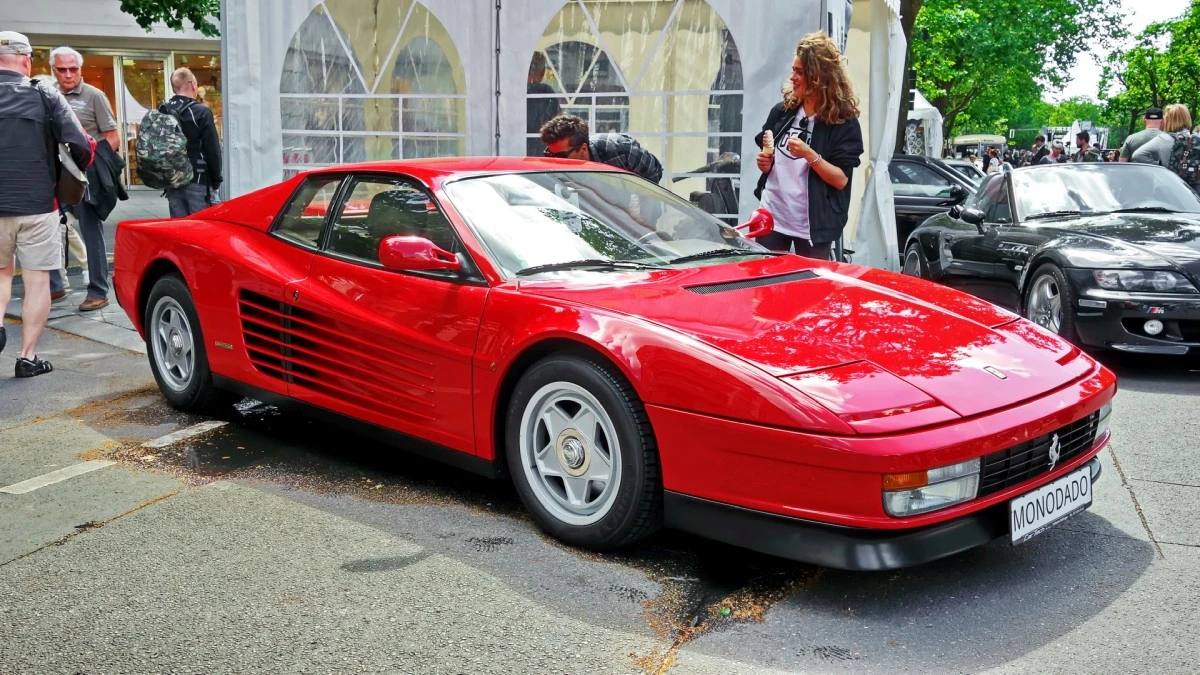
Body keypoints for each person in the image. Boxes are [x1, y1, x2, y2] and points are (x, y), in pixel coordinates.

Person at [0, 31, 94, 377]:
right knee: (38, 280)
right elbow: (81, 144)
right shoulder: (44, 93)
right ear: (27, 60)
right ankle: (28, 358)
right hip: (38, 203)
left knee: (1, 274)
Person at [752, 32, 863, 260]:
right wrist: (766, 164)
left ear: (819, 77)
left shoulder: (843, 122)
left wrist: (808, 154)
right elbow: (772, 159)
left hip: (813, 225)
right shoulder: (782, 111)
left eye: (800, 72)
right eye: (793, 70)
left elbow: (841, 180)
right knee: (764, 286)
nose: (792, 77)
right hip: (773, 215)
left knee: (811, 289)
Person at [50, 46, 115, 311]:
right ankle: (55, 287)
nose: (68, 74)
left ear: (81, 69)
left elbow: (112, 136)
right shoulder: (47, 94)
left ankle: (98, 290)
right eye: (62, 69)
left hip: (86, 174)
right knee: (47, 227)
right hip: (54, 173)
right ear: (54, 69)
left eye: (73, 69)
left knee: (91, 230)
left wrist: (98, 167)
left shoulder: (94, 95)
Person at [161, 67, 223, 217]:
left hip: (172, 180)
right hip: (198, 179)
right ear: (192, 84)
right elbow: (212, 149)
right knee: (201, 229)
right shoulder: (200, 111)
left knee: (179, 230)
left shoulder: (163, 110)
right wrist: (216, 179)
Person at [539, 114, 663, 184]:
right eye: (549, 155)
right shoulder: (553, 172)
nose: (555, 162)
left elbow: (653, 171)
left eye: (561, 156)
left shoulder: (619, 149)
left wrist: (643, 213)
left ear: (583, 149)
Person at [526, 52, 561, 157]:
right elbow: (559, 119)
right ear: (542, 72)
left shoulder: (515, 91)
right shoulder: (546, 91)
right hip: (542, 144)